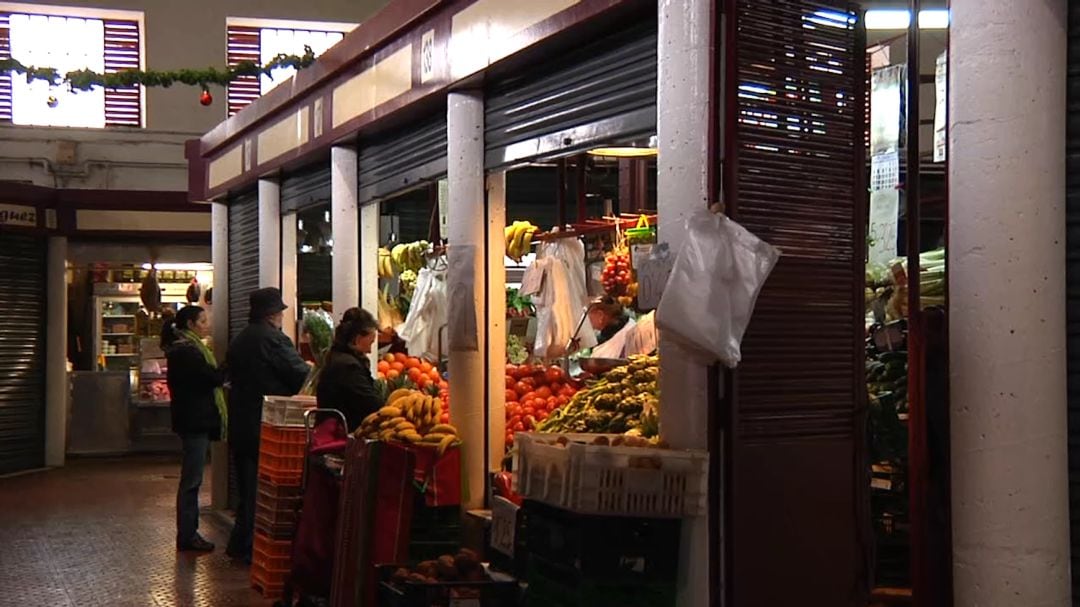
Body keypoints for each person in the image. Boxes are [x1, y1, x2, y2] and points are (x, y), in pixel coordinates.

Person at [225, 287, 311, 562]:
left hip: (240, 422)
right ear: (273, 314)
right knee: (263, 491)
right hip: (267, 425)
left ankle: (240, 544)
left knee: (246, 489)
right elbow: (299, 374)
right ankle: (250, 547)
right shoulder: (273, 340)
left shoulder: (239, 340)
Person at [163, 305, 227, 553]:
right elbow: (209, 378)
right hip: (194, 421)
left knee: (192, 478)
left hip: (192, 420)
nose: (207, 325)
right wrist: (225, 368)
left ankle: (188, 533)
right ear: (190, 325)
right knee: (192, 479)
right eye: (202, 321)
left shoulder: (184, 349)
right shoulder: (187, 352)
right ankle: (188, 535)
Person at [317, 307, 383, 432]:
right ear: (357, 339)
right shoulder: (348, 367)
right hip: (344, 434)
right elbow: (370, 404)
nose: (369, 351)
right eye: (370, 343)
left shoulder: (336, 357)